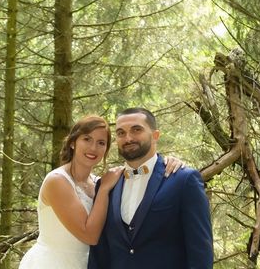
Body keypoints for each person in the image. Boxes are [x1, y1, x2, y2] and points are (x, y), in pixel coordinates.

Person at [19, 115, 184, 269]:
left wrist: (167, 162)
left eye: (101, 143)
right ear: (72, 142)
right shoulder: (58, 181)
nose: (93, 148)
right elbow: (89, 236)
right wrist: (104, 189)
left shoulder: (98, 181)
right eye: (87, 139)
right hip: (52, 263)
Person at [88, 107, 214, 269]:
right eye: (121, 133)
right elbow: (99, 251)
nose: (128, 138)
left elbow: (200, 250)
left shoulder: (184, 180)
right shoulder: (107, 184)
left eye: (136, 130)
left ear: (155, 136)